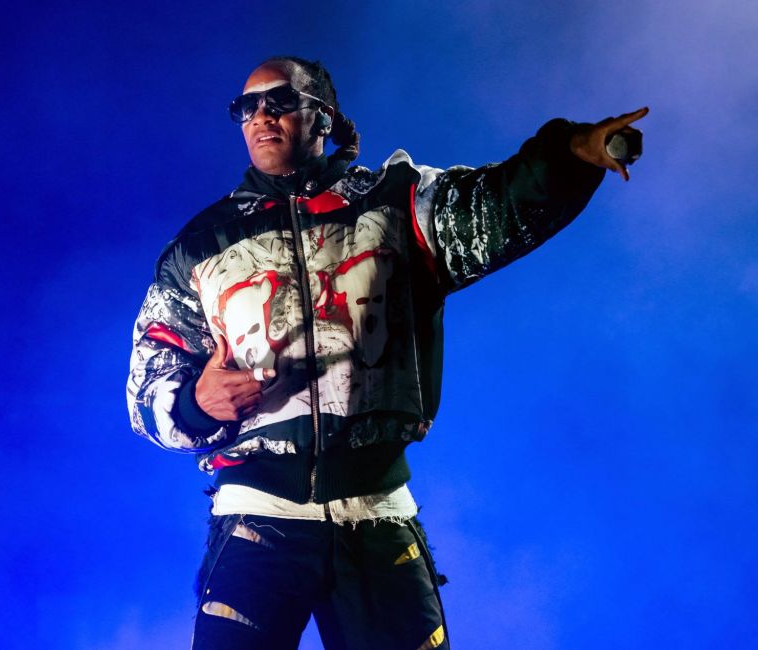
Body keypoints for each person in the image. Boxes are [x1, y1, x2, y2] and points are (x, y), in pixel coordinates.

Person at [127, 55, 647, 649]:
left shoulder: (395, 206)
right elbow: (148, 381)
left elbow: (498, 205)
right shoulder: (200, 246)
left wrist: (573, 150)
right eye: (248, 107)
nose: (262, 115)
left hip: (375, 517)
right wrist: (194, 401)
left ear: (323, 117)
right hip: (254, 523)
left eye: (279, 101)